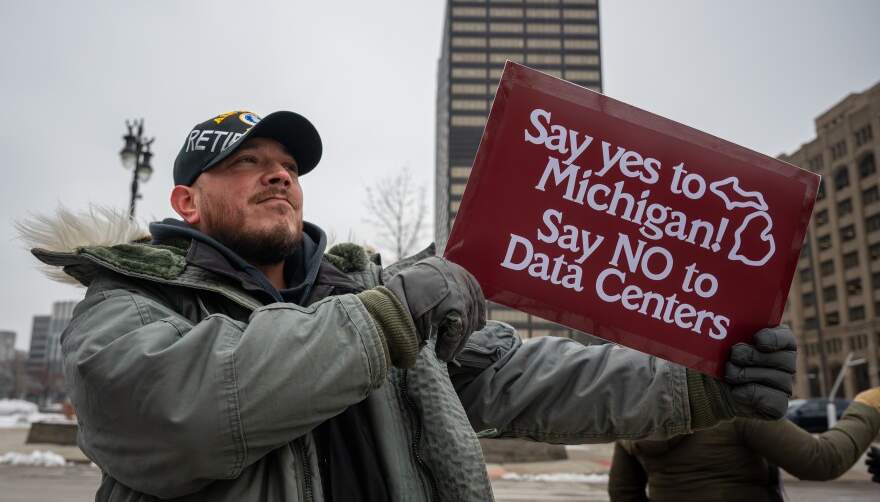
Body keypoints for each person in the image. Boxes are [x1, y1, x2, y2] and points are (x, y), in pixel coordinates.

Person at [21, 110, 799, 501]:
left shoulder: (357, 293)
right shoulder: (129, 301)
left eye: (288, 166)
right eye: (248, 163)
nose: (279, 176)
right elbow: (177, 411)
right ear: (186, 200)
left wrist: (696, 380)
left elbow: (527, 378)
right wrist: (388, 317)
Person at [608, 387, 880, 502]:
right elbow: (821, 460)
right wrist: (866, 408)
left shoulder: (632, 419)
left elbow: (623, 493)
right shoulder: (732, 409)